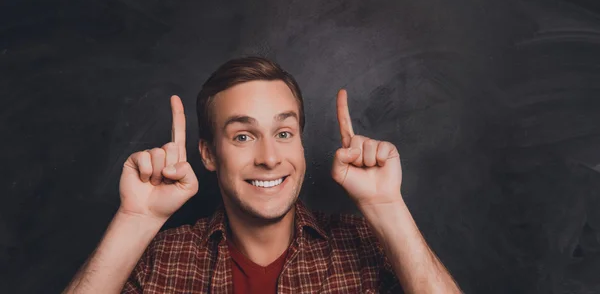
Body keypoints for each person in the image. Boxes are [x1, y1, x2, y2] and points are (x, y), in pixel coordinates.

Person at [63, 56, 462, 294]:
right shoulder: (160, 259)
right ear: (207, 154)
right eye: (242, 136)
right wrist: (136, 219)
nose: (270, 158)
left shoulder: (367, 247)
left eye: (284, 133)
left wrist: (386, 205)